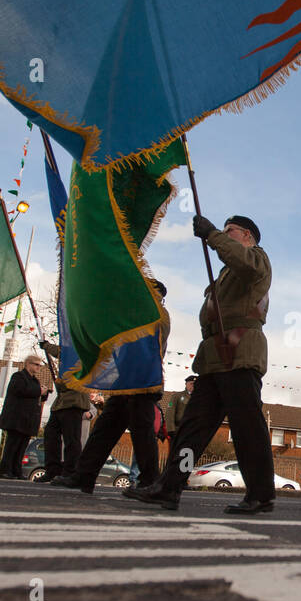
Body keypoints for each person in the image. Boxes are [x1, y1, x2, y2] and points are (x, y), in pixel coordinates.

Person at [126, 214, 275, 514]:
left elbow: (241, 261)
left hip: (240, 352)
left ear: (247, 235)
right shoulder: (226, 273)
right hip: (215, 358)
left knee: (247, 427)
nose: (223, 233)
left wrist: (211, 235)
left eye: (229, 230)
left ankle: (260, 494)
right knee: (192, 429)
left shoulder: (256, 259)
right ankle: (170, 487)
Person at [53, 282, 171, 495]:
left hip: (144, 380)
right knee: (104, 429)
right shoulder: (136, 313)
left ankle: (149, 480)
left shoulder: (159, 315)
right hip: (125, 380)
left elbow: (147, 346)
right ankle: (84, 475)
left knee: (142, 431)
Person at [39, 341, 92, 482]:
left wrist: (47, 346)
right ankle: (52, 469)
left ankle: (70, 471)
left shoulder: (83, 351)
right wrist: (47, 346)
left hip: (74, 402)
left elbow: (63, 353)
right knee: (51, 435)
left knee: (71, 440)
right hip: (61, 403)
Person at [0, 356, 47, 479]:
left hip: (28, 420)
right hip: (17, 418)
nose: (38, 367)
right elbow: (22, 390)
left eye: (40, 365)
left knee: (22, 447)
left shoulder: (35, 380)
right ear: (28, 364)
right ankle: (6, 470)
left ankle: (16, 470)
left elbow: (36, 394)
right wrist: (39, 391)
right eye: (36, 364)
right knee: (12, 445)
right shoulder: (18, 377)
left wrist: (43, 393)